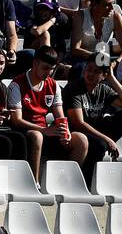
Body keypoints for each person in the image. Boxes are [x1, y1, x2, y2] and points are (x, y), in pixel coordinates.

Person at [7, 47, 88, 180]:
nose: (49, 72)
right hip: (24, 133)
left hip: (45, 132)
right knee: (37, 136)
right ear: (35, 63)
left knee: (80, 140)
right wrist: (44, 130)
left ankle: (68, 182)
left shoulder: (53, 85)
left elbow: (60, 116)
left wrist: (64, 131)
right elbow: (17, 120)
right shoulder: (16, 85)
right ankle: (34, 182)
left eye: (52, 69)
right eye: (45, 68)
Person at [64, 55, 122, 175]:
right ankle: (88, 181)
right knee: (100, 144)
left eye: (96, 71)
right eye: (88, 69)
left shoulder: (103, 88)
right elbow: (78, 123)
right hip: (78, 133)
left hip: (96, 129)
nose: (90, 74)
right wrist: (106, 139)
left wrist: (112, 79)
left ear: (104, 75)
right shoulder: (74, 89)